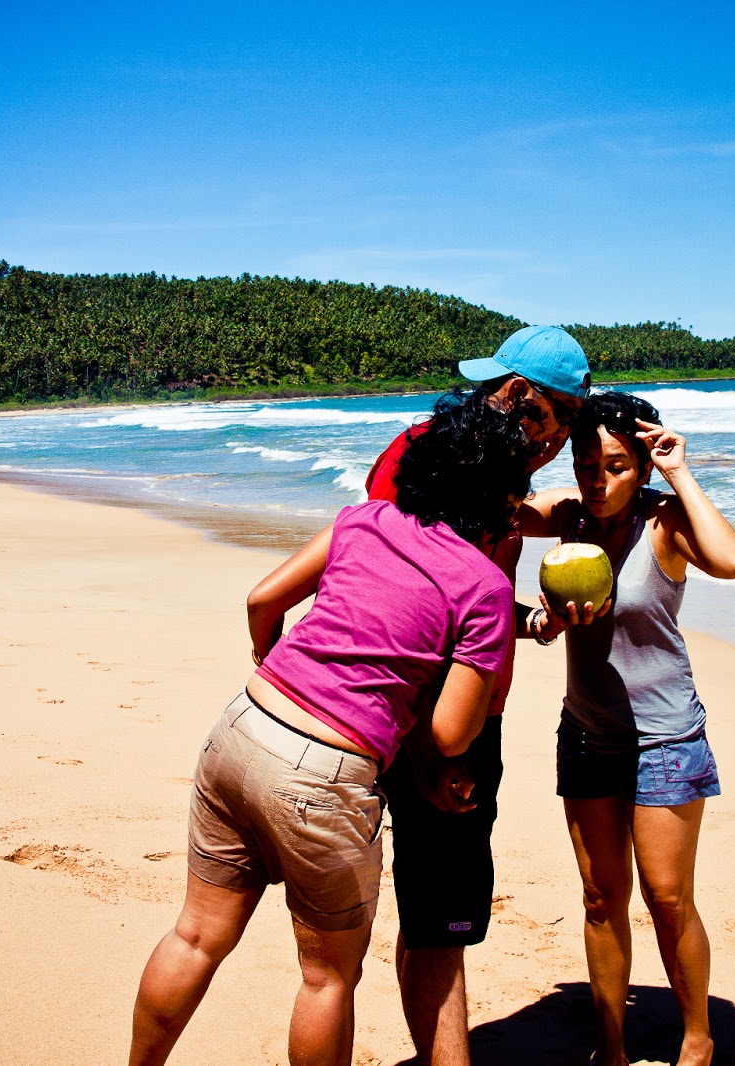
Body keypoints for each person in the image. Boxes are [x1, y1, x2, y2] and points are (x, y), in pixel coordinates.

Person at [128, 394, 537, 1066]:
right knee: (326, 978)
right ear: (504, 497)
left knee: (197, 936)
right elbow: (453, 731)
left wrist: (269, 657)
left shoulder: (365, 520)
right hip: (324, 774)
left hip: (243, 726)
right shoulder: (484, 588)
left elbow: (263, 599)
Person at [364, 325, 590, 1066]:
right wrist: (426, 752)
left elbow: (472, 588)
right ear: (526, 404)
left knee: (442, 915)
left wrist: (530, 617)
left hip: (464, 715)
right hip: (425, 716)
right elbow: (391, 599)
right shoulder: (424, 453)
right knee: (436, 914)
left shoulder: (496, 470)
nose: (486, 396)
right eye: (499, 389)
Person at [518, 390, 735, 1066]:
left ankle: (699, 1038)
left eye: (617, 466)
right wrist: (539, 621)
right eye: (587, 463)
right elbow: (491, 506)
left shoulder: (665, 523)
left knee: (669, 898)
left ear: (641, 466)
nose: (599, 479)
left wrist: (678, 471)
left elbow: (733, 561)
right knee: (599, 897)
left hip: (664, 738)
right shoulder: (570, 517)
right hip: (587, 734)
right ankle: (612, 1045)